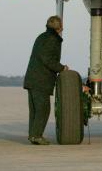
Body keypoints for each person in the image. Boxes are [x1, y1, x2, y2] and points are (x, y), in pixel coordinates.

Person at [22, 16, 68, 145]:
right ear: (58, 28)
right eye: (62, 26)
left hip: (32, 79)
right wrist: (62, 68)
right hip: (41, 81)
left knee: (35, 110)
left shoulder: (41, 37)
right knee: (43, 109)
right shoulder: (52, 40)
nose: (63, 28)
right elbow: (47, 59)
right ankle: (36, 135)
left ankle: (33, 135)